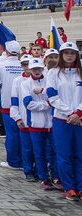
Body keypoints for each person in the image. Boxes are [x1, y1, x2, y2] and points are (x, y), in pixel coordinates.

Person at [45, 42, 82, 200]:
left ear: (76, 55)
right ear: (61, 55)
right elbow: (52, 96)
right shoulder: (53, 73)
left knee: (80, 154)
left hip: (80, 120)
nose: (69, 55)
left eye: (72, 52)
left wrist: (78, 113)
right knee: (64, 155)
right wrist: (69, 113)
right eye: (66, 52)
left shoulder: (80, 72)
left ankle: (80, 187)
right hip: (62, 120)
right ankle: (69, 187)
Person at [12, 57, 56, 189]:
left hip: (51, 123)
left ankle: (54, 176)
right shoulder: (23, 83)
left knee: (52, 151)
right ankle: (39, 175)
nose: (36, 71)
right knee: (35, 151)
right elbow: (28, 104)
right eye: (33, 68)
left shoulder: (49, 80)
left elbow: (55, 97)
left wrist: (45, 96)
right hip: (34, 123)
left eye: (39, 68)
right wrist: (47, 104)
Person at [0, 41, 24, 171]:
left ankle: (14, 161)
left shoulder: (0, 66)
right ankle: (25, 160)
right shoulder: (24, 64)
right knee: (23, 134)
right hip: (23, 105)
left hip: (7, 104)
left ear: (6, 51)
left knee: (12, 134)